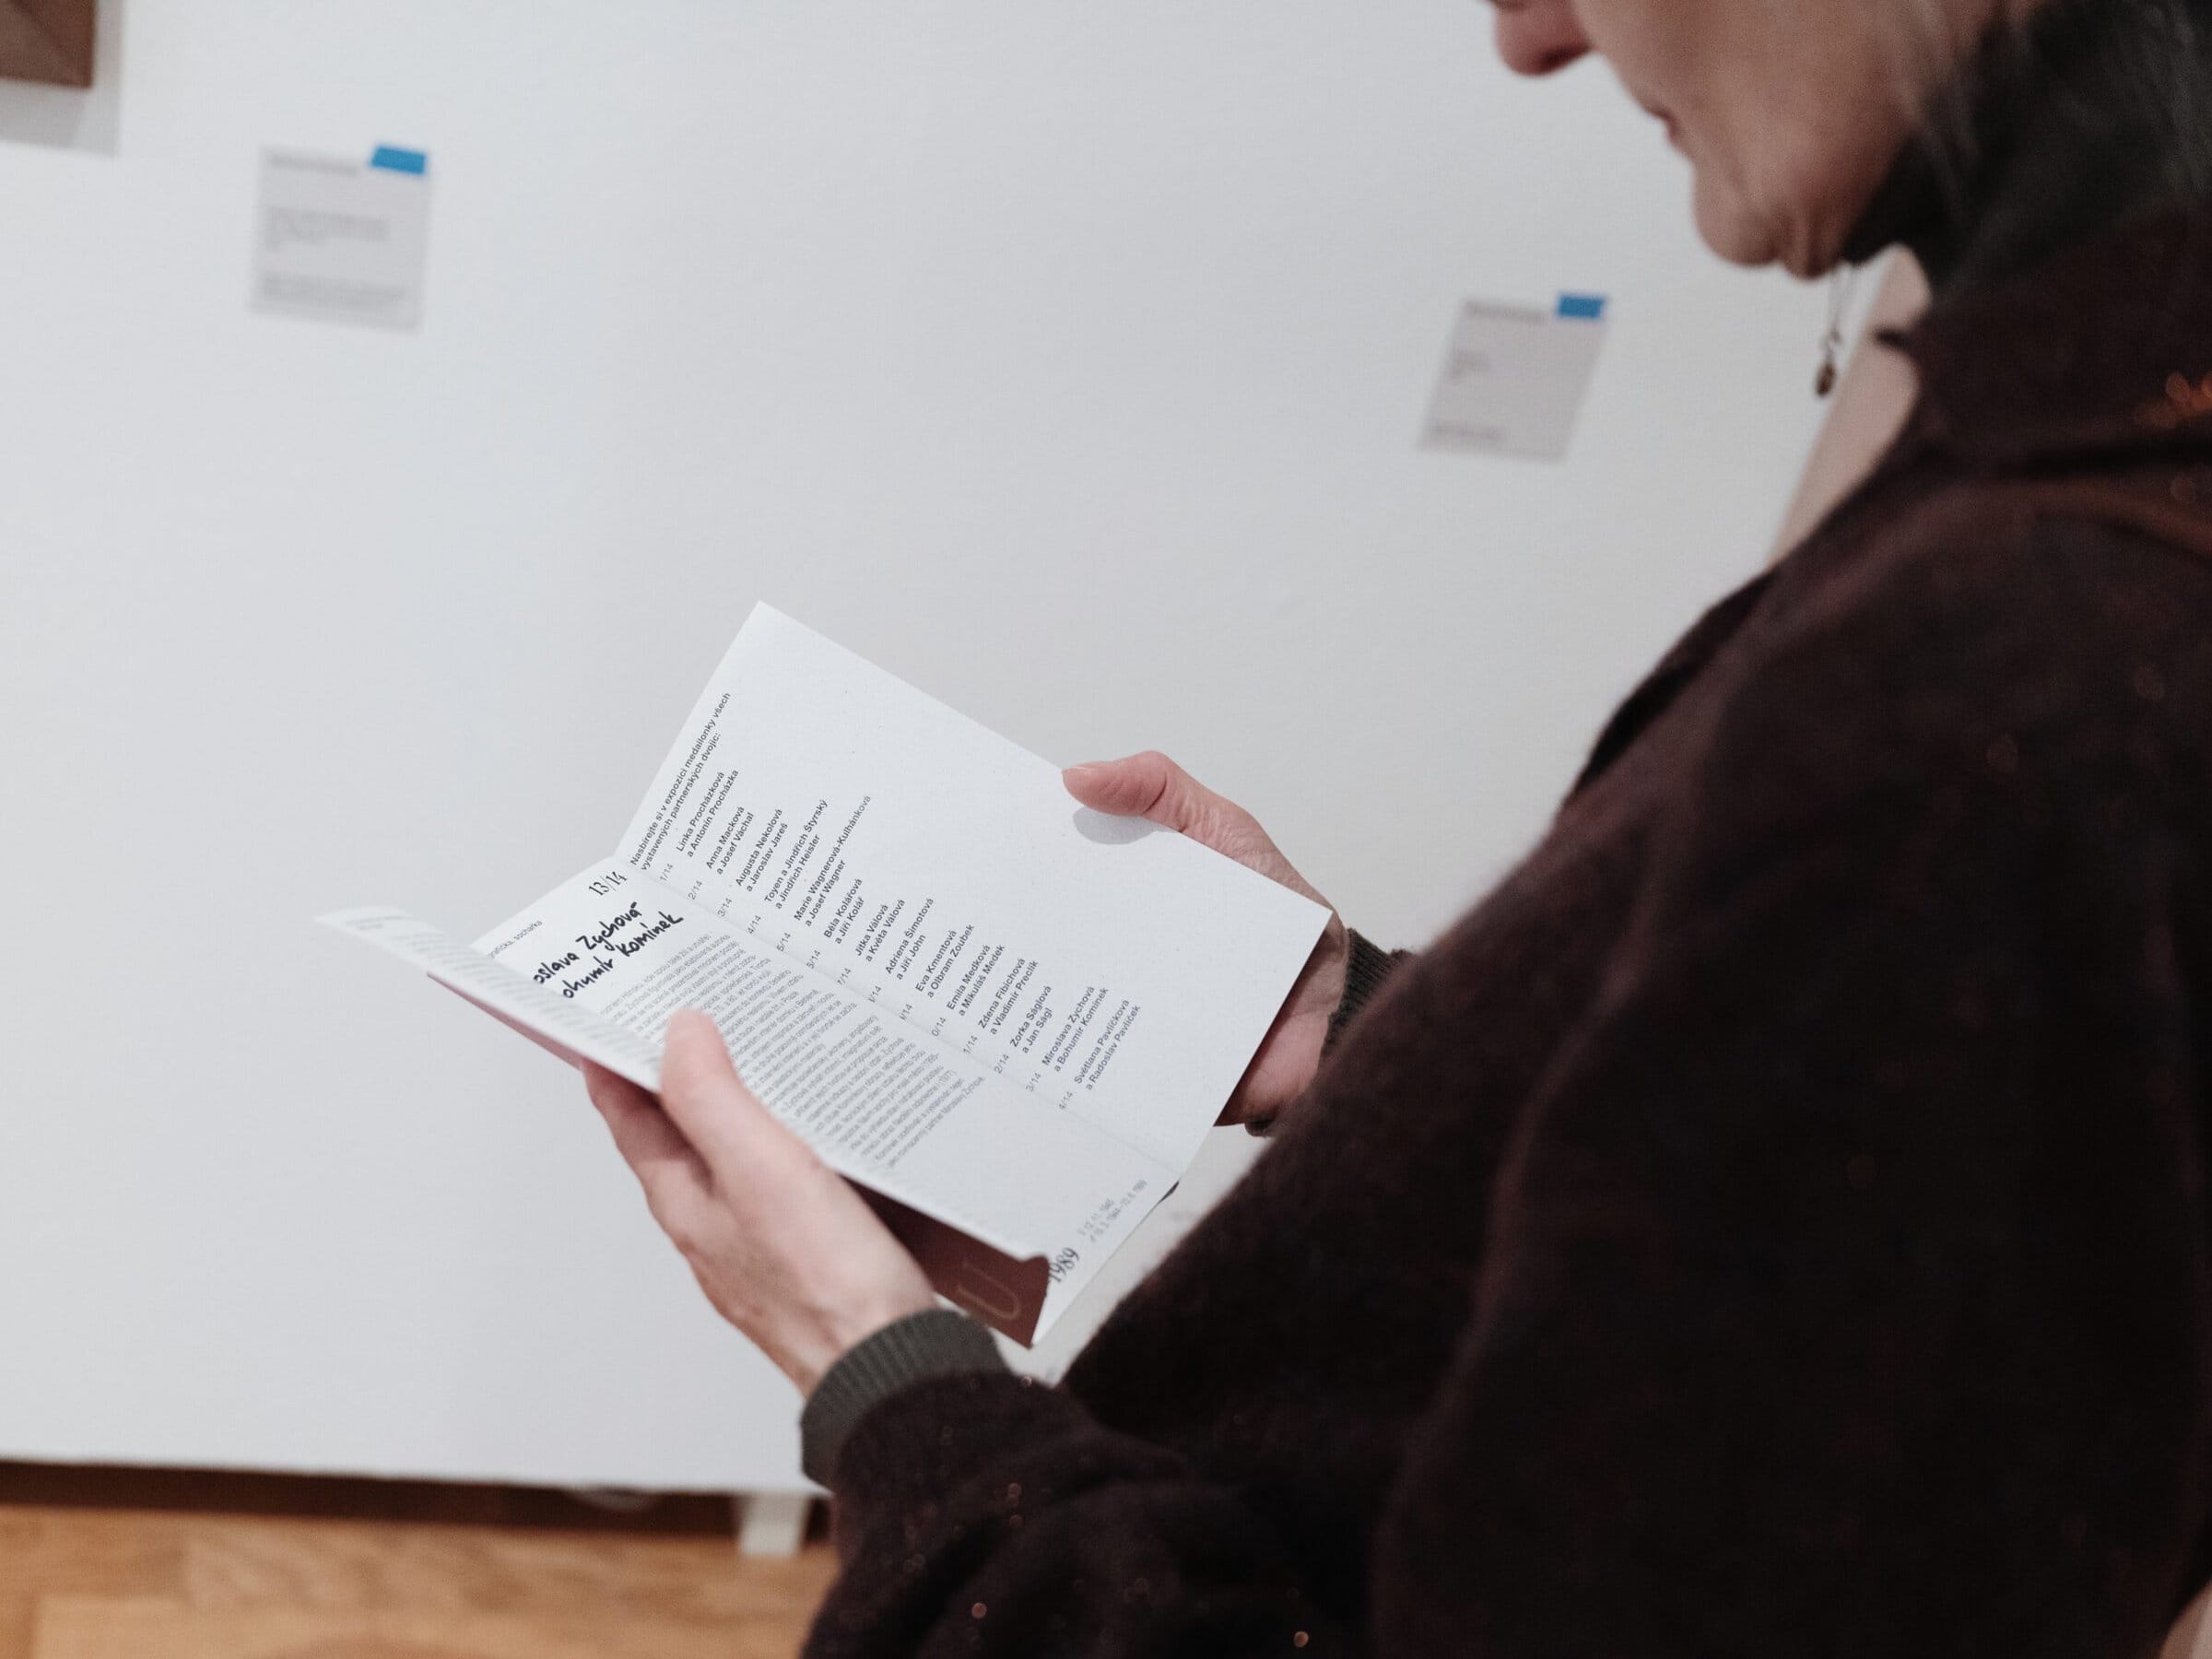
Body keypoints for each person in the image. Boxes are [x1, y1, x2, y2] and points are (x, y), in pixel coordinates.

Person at [580, 0, 2212, 1650]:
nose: (1532, 36)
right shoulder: (2074, 539)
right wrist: (1359, 1026)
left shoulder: (2014, 687)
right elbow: (1731, 1277)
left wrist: (884, 1378)